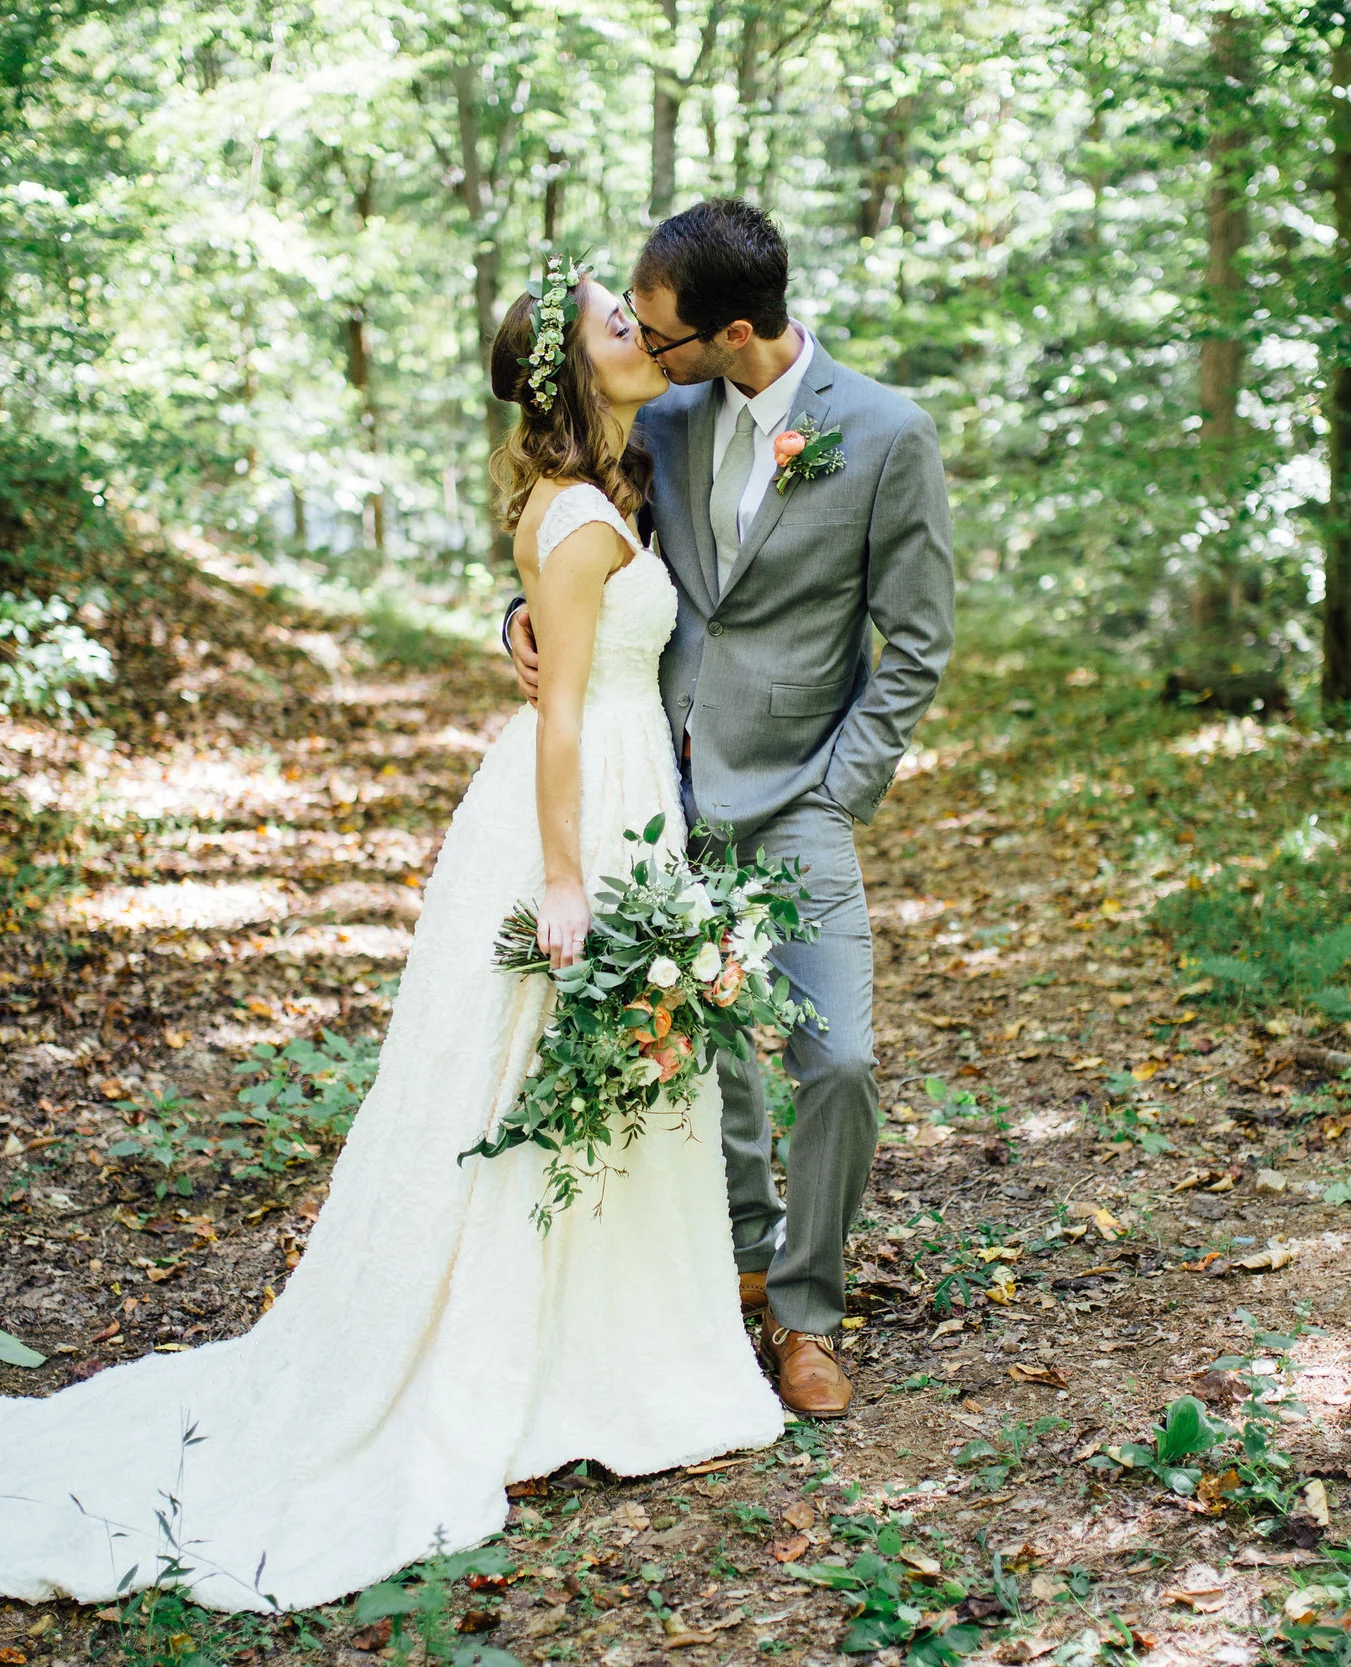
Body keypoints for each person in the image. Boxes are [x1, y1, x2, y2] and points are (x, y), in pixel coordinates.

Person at [0, 261, 784, 1615]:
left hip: (617, 787)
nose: (639, 333)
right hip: (578, 802)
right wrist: (563, 877)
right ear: (570, 369)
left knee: (588, 1079)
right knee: (535, 1080)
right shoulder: (586, 518)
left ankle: (599, 1342)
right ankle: (546, 1358)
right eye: (616, 322)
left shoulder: (616, 481)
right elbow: (559, 710)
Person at [507, 199, 955, 1418]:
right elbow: (580, 543)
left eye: (662, 335)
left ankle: (811, 1310)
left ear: (734, 330)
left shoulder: (884, 433)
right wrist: (517, 624)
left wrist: (843, 788)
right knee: (709, 1052)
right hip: (663, 790)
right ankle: (750, 1261)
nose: (645, 351)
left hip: (803, 794)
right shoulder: (665, 416)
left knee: (840, 1060)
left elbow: (914, 644)